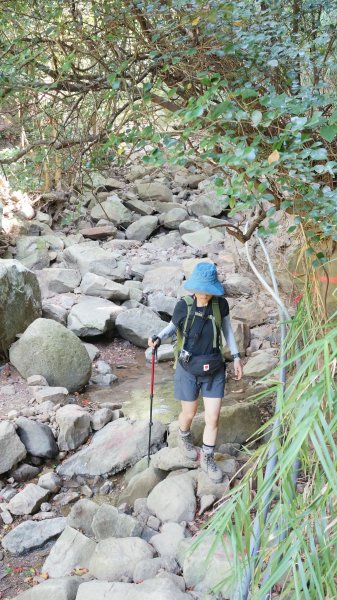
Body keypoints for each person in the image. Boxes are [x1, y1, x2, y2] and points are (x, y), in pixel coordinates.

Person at [148, 262, 243, 483]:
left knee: (213, 417)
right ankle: (184, 437)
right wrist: (158, 339)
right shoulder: (184, 306)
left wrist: (237, 357)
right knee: (188, 414)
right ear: (194, 288)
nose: (206, 295)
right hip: (188, 368)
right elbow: (172, 328)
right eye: (202, 290)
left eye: (209, 290)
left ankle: (207, 458)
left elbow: (227, 331)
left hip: (214, 368)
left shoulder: (221, 305)